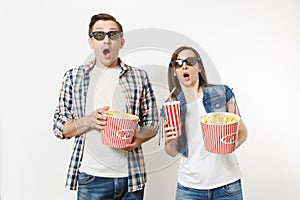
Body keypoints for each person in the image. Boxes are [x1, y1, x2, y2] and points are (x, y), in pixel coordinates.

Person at [53, 13, 158, 199]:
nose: (107, 40)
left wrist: (139, 138)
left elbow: (153, 123)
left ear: (121, 42)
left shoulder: (139, 77)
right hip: (92, 179)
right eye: (99, 35)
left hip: (131, 178)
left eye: (113, 35)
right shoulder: (74, 77)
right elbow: (59, 128)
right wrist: (88, 121)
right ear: (91, 42)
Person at [163, 46, 248, 200]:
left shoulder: (222, 93)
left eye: (189, 61)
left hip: (227, 185)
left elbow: (242, 131)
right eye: (179, 63)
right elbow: (171, 151)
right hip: (189, 188)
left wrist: (231, 145)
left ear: (199, 67)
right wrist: (171, 140)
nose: (184, 66)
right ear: (175, 71)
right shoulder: (171, 106)